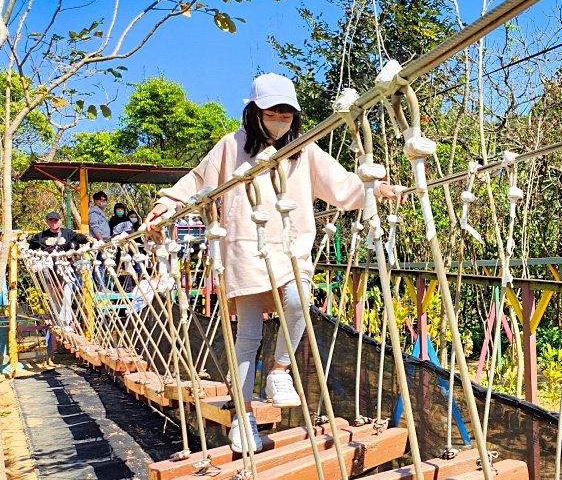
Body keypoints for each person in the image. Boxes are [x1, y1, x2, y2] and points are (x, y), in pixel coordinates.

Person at [147, 72, 399, 452]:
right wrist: (166, 203)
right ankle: (244, 416)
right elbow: (197, 181)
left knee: (298, 301)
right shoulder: (230, 147)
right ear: (255, 111)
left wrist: (374, 189)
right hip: (246, 248)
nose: (280, 118)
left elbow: (341, 184)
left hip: (289, 245)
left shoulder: (305, 150)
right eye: (273, 111)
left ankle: (280, 370)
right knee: (248, 335)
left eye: (287, 112)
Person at [28, 212, 89, 327]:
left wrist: (88, 238)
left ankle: (65, 321)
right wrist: (22, 241)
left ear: (60, 221)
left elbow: (79, 238)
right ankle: (57, 316)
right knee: (53, 293)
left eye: (56, 220)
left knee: (67, 292)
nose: (54, 223)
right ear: (47, 222)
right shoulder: (42, 235)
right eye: (51, 221)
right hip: (49, 267)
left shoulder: (67, 233)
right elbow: (30, 245)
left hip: (64, 267)